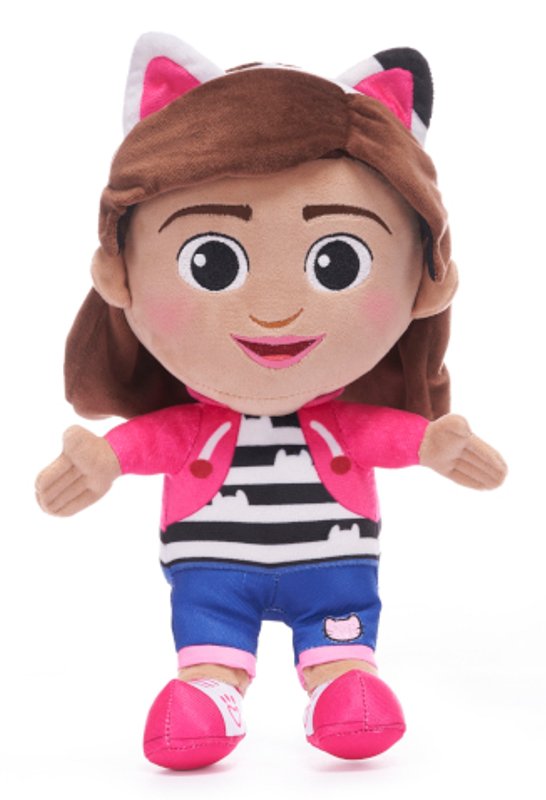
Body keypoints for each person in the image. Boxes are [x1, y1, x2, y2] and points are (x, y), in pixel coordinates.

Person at [35, 33, 507, 770]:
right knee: (209, 638)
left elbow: (382, 433)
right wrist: (103, 461)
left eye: (338, 262)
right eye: (212, 262)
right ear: (121, 275)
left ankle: (342, 681)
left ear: (423, 282)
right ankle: (210, 691)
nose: (274, 312)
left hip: (334, 565)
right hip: (213, 569)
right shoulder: (195, 421)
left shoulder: (342, 416)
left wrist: (432, 444)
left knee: (342, 637)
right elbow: (154, 440)